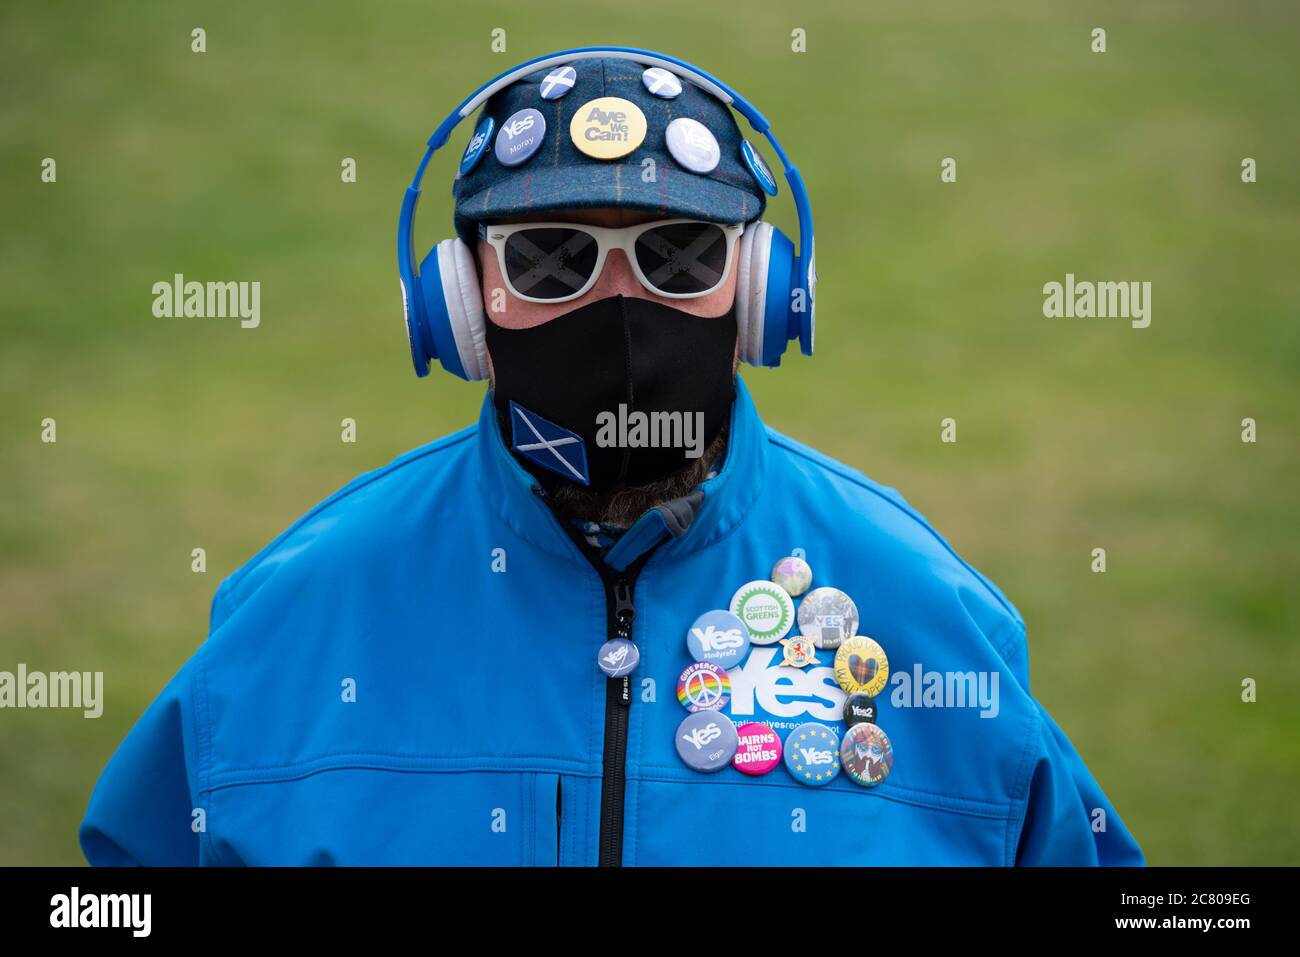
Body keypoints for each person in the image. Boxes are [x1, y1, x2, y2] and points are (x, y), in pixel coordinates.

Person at [80, 49, 1143, 866]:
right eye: (553, 259)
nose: (621, 306)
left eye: (680, 255)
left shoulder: (926, 612)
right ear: (463, 307)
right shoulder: (299, 612)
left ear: (760, 294)